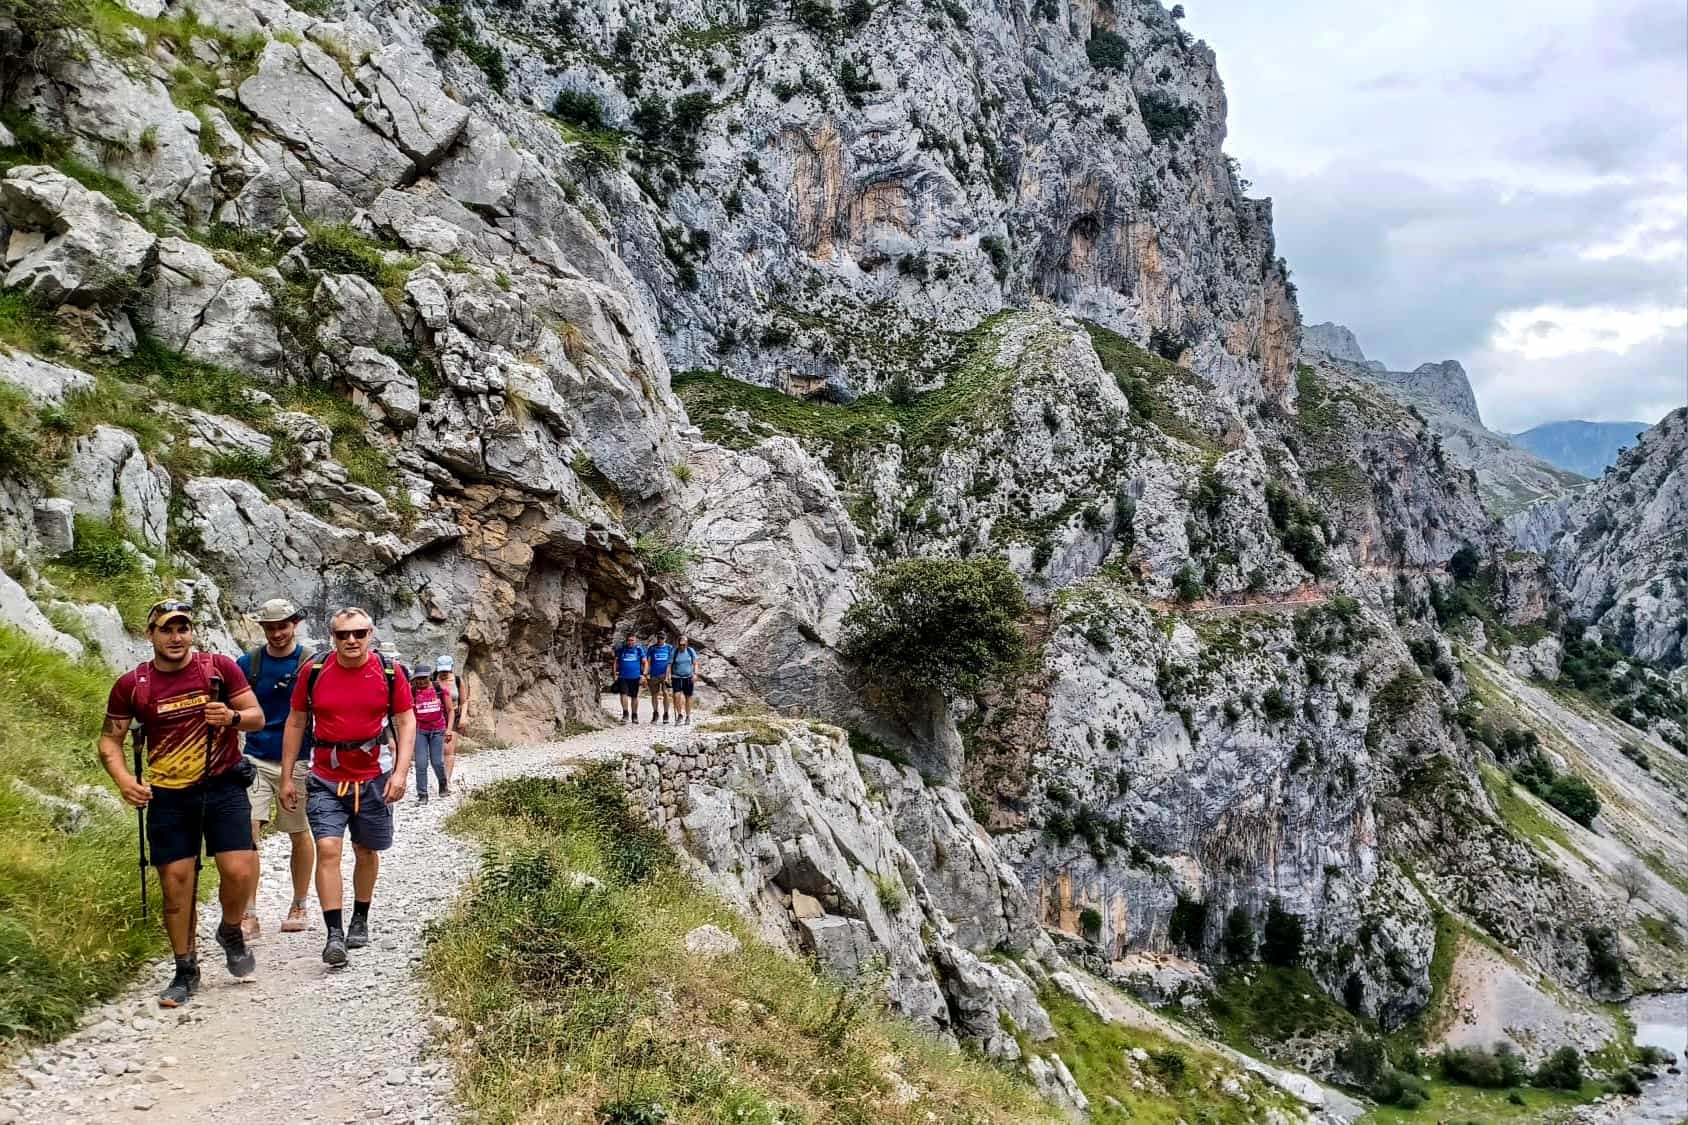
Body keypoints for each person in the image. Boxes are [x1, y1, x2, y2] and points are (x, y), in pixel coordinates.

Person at [98, 600, 266, 1008]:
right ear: (150, 634)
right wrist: (124, 780)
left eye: (183, 628)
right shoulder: (133, 685)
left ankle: (229, 929)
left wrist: (231, 718)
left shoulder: (219, 669)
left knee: (239, 870)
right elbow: (109, 741)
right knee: (175, 884)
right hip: (169, 794)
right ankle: (185, 968)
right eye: (167, 629)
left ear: (192, 631)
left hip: (223, 783)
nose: (176, 637)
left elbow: (256, 716)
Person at [278, 608, 414, 966]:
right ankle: (334, 933)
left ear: (370, 634)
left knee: (367, 850)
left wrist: (400, 773)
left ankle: (360, 918)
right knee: (328, 849)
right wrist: (287, 775)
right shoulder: (314, 672)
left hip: (373, 775)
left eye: (358, 633)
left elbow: (405, 720)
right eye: (343, 635)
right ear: (332, 637)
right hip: (325, 775)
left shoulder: (389, 672)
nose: (351, 640)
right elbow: (296, 722)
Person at [235, 598, 315, 938]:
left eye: (282, 626)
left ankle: (299, 902)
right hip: (255, 755)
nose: (277, 633)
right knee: (249, 832)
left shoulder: (312, 663)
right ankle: (249, 911)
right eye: (270, 627)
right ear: (263, 629)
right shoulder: (248, 663)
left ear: (293, 624)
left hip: (297, 760)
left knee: (298, 832)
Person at [411, 668, 449, 802]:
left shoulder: (439, 689)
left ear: (429, 677)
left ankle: (443, 784)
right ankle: (422, 793)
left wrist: (449, 729)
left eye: (424, 678)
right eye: (418, 679)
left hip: (438, 730)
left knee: (437, 762)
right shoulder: (412, 691)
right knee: (421, 763)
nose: (421, 681)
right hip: (420, 730)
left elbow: (450, 710)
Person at [432, 655, 459, 791]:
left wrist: (464, 716)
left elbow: (464, 700)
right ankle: (440, 778)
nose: (443, 673)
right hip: (435, 716)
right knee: (438, 750)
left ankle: (446, 780)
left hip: (452, 714)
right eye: (441, 670)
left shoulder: (458, 680)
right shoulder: (431, 680)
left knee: (448, 750)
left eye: (446, 670)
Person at [612, 631, 646, 724]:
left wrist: (644, 675)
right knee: (623, 694)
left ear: (635, 641)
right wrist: (614, 674)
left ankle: (634, 715)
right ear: (626, 641)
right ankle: (625, 714)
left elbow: (645, 662)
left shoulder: (639, 649)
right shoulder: (621, 649)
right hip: (623, 676)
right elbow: (615, 662)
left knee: (634, 696)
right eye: (629, 640)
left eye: (632, 640)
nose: (630, 642)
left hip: (635, 677)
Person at [645, 630, 675, 724]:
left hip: (665, 674)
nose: (660, 640)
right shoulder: (652, 648)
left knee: (666, 693)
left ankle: (666, 713)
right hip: (654, 674)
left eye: (662, 638)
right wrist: (647, 673)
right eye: (659, 638)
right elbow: (648, 661)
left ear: (665, 638)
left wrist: (668, 675)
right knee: (654, 694)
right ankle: (655, 713)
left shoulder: (669, 648)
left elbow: (670, 663)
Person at [670, 635, 699, 725]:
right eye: (680, 645)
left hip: (688, 677)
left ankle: (688, 716)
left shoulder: (690, 651)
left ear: (686, 644)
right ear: (678, 644)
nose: (682, 646)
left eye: (684, 645)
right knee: (676, 695)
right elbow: (669, 664)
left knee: (688, 697)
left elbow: (695, 663)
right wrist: (667, 676)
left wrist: (695, 674)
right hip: (676, 677)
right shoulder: (674, 652)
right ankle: (679, 715)